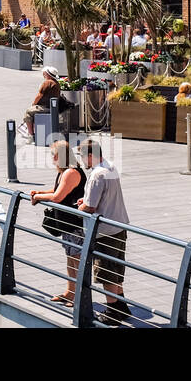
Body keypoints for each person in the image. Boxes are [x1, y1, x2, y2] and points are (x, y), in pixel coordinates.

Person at [77, 137, 133, 326]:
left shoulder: (96, 174)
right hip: (119, 225)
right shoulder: (111, 167)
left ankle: (112, 312)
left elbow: (91, 207)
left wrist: (80, 208)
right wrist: (85, 202)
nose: (83, 161)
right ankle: (121, 306)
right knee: (116, 268)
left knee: (106, 272)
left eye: (83, 157)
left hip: (104, 231)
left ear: (90, 156)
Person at [30, 140, 87, 306]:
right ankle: (70, 292)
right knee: (70, 258)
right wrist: (40, 192)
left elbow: (57, 197)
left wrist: (38, 198)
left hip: (75, 224)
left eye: (53, 155)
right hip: (66, 224)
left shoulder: (71, 172)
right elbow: (57, 190)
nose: (52, 158)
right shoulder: (64, 172)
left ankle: (78, 296)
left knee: (76, 259)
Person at [23, 66, 63, 140]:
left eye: (44, 74)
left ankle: (31, 135)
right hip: (52, 107)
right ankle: (33, 131)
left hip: (46, 107)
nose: (43, 75)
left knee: (28, 112)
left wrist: (33, 104)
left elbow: (39, 95)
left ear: (47, 74)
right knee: (33, 111)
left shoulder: (47, 82)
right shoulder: (56, 83)